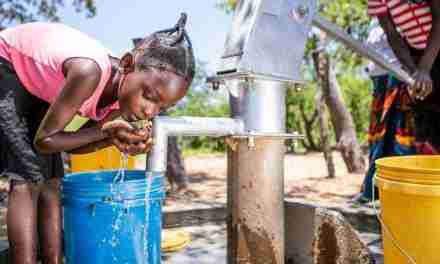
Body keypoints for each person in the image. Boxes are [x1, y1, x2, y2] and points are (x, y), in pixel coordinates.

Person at [0, 13, 195, 264]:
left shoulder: (118, 101)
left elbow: (73, 146)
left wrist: (110, 138)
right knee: (26, 180)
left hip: (35, 82)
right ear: (126, 64)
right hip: (7, 63)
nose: (150, 111)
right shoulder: (88, 72)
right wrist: (104, 131)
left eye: (161, 107)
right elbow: (45, 141)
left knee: (52, 182)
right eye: (149, 96)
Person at [352, 25, 416, 204]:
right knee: (377, 138)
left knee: (397, 137)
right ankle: (373, 190)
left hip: (396, 78)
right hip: (380, 80)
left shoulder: (399, 13)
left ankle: (401, 192)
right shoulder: (376, 19)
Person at [368, 0, 440, 154]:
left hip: (435, 46)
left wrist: (424, 68)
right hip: (416, 55)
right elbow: (392, 34)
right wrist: (414, 73)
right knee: (427, 119)